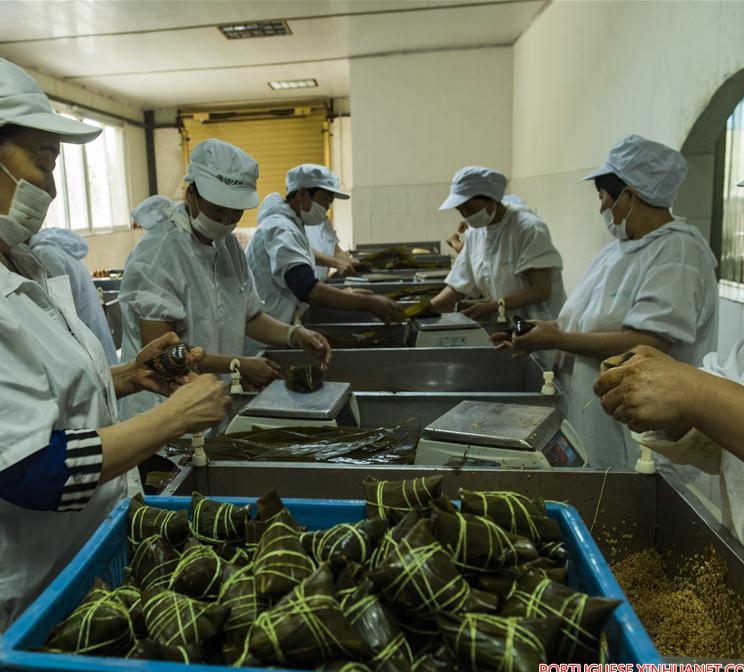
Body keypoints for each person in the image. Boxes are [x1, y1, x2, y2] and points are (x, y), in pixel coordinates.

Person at [0, 49, 230, 672]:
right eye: (44, 162)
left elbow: (24, 390)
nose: (53, 187)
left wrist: (124, 377)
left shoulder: (7, 258)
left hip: (72, 569)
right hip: (13, 608)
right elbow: (30, 472)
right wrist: (176, 416)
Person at [500, 134, 718, 470]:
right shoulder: (617, 250)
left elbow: (650, 342)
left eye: (603, 196)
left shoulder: (678, 253)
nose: (601, 207)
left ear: (629, 195)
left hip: (638, 432)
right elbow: (589, 320)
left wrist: (558, 338)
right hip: (593, 415)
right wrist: (544, 329)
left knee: (626, 489)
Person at [593, 162, 744, 569]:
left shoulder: (679, 250)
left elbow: (708, 396)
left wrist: (691, 392)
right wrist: (665, 394)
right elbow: (729, 402)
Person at [118, 139, 332, 422]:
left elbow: (249, 317)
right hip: (160, 410)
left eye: (235, 211)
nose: (226, 219)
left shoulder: (228, 246)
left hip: (209, 401)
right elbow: (162, 356)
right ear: (191, 194)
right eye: (218, 209)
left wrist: (294, 334)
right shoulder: (159, 256)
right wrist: (238, 364)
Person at [245, 164, 404, 353]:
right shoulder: (282, 229)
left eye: (330, 201)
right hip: (260, 340)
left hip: (275, 330)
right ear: (302, 194)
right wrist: (370, 303)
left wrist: (346, 294)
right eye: (323, 199)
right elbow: (305, 287)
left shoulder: (293, 225)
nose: (327, 207)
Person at [430, 167, 566, 323]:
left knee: (532, 336)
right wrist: (427, 309)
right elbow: (459, 285)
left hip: (538, 323)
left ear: (492, 198)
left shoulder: (528, 229)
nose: (466, 215)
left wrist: (492, 307)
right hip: (508, 324)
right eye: (460, 210)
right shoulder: (475, 233)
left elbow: (541, 290)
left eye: (470, 208)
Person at [29, 227, 118, 365]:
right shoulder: (56, 247)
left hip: (83, 338)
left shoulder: (44, 254)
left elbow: (57, 312)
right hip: (90, 328)